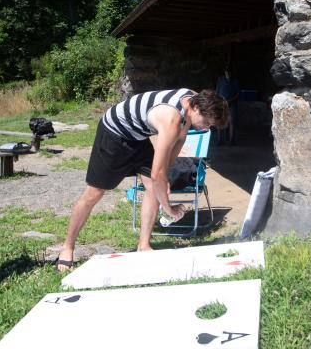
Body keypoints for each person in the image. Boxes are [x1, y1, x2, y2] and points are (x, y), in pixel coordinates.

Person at [56, 88, 229, 270]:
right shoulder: (172, 119)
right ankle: (67, 247)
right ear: (195, 108)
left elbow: (179, 142)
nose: (206, 128)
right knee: (95, 193)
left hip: (138, 137)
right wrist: (168, 207)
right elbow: (156, 175)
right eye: (206, 122)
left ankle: (143, 246)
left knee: (155, 186)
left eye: (211, 125)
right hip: (114, 132)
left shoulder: (193, 100)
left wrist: (165, 177)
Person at [215, 67, 240, 146]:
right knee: (219, 121)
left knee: (231, 121)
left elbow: (238, 93)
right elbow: (217, 91)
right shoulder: (221, 80)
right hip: (221, 103)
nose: (228, 74)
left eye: (229, 72)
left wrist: (231, 100)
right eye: (226, 72)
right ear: (224, 72)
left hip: (232, 104)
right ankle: (219, 140)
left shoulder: (235, 81)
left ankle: (232, 140)